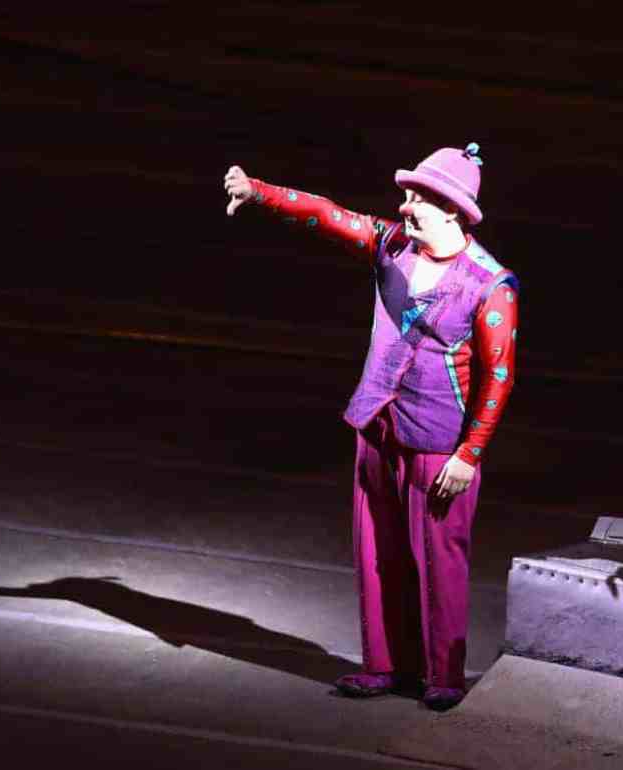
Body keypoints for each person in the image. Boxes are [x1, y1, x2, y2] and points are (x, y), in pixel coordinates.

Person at [223, 143, 518, 711]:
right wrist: (259, 192)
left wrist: (470, 454)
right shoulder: (392, 243)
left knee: (439, 561)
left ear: (453, 210)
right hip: (377, 424)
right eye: (406, 196)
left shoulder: (490, 283)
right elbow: (328, 214)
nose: (405, 207)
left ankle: (443, 675)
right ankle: (382, 665)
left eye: (418, 199)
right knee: (377, 552)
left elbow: (499, 376)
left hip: (438, 442)